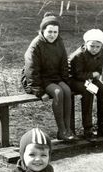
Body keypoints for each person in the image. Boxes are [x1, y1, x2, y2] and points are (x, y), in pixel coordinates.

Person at [21, 13, 76, 142]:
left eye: (55, 32)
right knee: (58, 92)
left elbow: (63, 63)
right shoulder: (35, 45)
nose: (52, 35)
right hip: (41, 79)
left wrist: (65, 80)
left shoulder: (59, 42)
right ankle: (61, 130)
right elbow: (31, 71)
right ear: (42, 31)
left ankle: (68, 129)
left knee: (67, 90)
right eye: (49, 31)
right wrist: (39, 92)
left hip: (55, 77)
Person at [69, 29, 103, 141]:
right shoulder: (78, 55)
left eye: (97, 47)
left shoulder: (101, 52)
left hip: (90, 79)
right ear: (86, 44)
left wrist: (96, 75)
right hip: (75, 80)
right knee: (88, 92)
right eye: (92, 46)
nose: (95, 49)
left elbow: (99, 69)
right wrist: (92, 75)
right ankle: (87, 129)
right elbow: (77, 74)